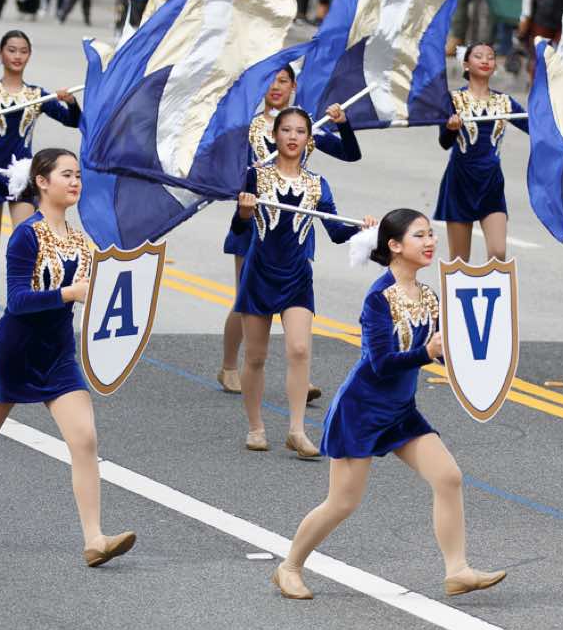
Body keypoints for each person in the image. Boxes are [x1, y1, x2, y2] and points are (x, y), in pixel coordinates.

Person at [0, 149, 138, 567]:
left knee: (85, 439)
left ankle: (94, 539)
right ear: (42, 182)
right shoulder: (26, 235)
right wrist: (69, 293)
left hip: (58, 355)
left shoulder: (81, 240)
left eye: (78, 175)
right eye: (66, 175)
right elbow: (16, 301)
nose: (75, 182)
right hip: (13, 353)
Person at [270, 208, 507, 602]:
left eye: (430, 234)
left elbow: (439, 351)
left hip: (400, 411)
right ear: (394, 246)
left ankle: (457, 570)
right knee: (342, 502)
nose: (430, 242)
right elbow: (380, 363)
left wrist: (471, 359)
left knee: (448, 477)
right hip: (360, 410)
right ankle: (289, 566)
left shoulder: (429, 296)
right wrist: (426, 353)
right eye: (420, 235)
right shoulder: (378, 298)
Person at [228, 107, 368, 458]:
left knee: (300, 349)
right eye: (286, 130)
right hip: (259, 274)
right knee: (256, 357)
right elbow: (239, 229)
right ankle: (256, 427)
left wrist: (363, 229)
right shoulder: (255, 176)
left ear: (308, 139)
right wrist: (244, 212)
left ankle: (296, 430)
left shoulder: (317, 184)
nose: (293, 137)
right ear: (275, 135)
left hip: (296, 277)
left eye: (300, 131)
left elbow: (336, 232)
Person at [216, 67, 359, 394]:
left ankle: (301, 375)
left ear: (293, 85)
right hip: (255, 222)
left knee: (296, 299)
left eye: (282, 80)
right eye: (270, 80)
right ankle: (229, 366)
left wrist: (343, 124)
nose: (275, 87)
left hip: (295, 225)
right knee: (246, 300)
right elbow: (224, 170)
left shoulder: (306, 127)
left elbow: (350, 154)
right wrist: (244, 175)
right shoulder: (248, 127)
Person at [0, 30, 79, 325]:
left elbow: (72, 120)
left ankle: (25, 303)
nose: (17, 56)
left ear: (29, 55)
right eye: (11, 50)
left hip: (24, 174)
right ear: (1, 54)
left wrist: (71, 102)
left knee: (25, 241)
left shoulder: (37, 95)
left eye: (23, 51)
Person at [434, 42, 528, 264]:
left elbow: (535, 127)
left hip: (491, 182)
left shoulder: (504, 102)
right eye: (478, 56)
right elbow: (444, 143)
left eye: (490, 57)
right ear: (466, 64)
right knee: (459, 261)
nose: (485, 60)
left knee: (498, 254)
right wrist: (451, 128)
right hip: (460, 181)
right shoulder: (453, 99)